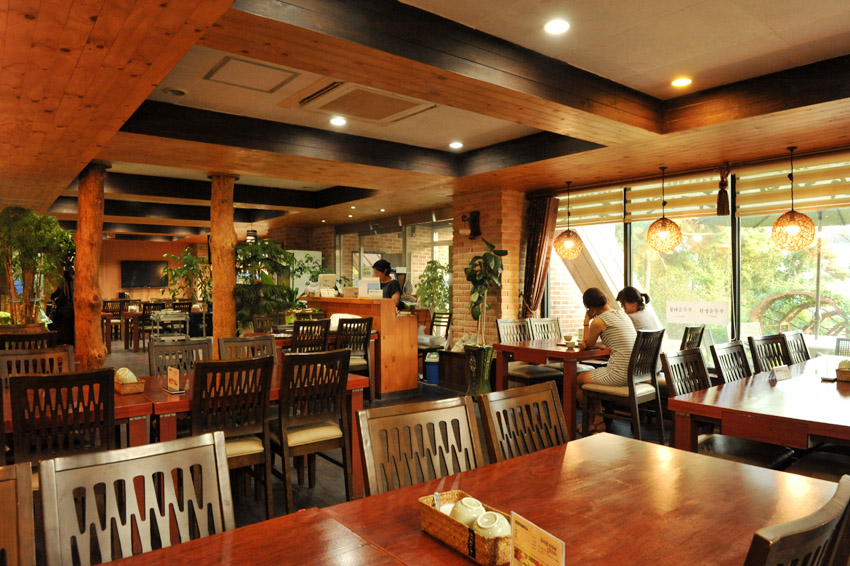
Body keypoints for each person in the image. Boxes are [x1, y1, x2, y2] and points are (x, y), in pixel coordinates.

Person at [576, 287, 637, 433]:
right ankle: (597, 422)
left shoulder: (599, 321)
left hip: (619, 374)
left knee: (577, 380)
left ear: (590, 308)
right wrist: (596, 344)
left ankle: (593, 422)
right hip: (634, 373)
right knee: (591, 376)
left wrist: (586, 322)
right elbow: (609, 342)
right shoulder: (621, 314)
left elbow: (587, 344)